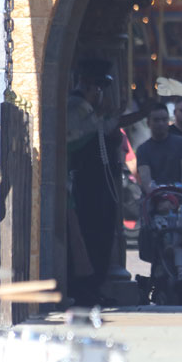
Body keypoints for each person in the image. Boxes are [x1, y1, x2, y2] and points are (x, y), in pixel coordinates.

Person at [66, 59, 124, 304]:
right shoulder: (76, 109)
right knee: (91, 235)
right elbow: (77, 137)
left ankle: (95, 286)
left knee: (101, 234)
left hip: (101, 183)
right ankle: (85, 288)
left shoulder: (91, 112)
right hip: (86, 184)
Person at [136, 102, 182, 192]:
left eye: (164, 120)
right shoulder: (142, 150)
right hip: (154, 198)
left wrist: (178, 196)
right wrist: (159, 199)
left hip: (179, 196)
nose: (161, 123)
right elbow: (146, 179)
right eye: (156, 120)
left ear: (168, 121)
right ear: (148, 123)